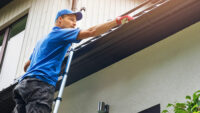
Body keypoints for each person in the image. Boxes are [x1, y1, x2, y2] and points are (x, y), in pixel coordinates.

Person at [12, 9, 133, 113]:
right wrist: (117, 21)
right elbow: (92, 31)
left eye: (75, 21)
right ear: (60, 20)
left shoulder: (42, 41)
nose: (74, 24)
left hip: (23, 86)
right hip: (40, 85)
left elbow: (26, 65)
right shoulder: (61, 33)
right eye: (71, 19)